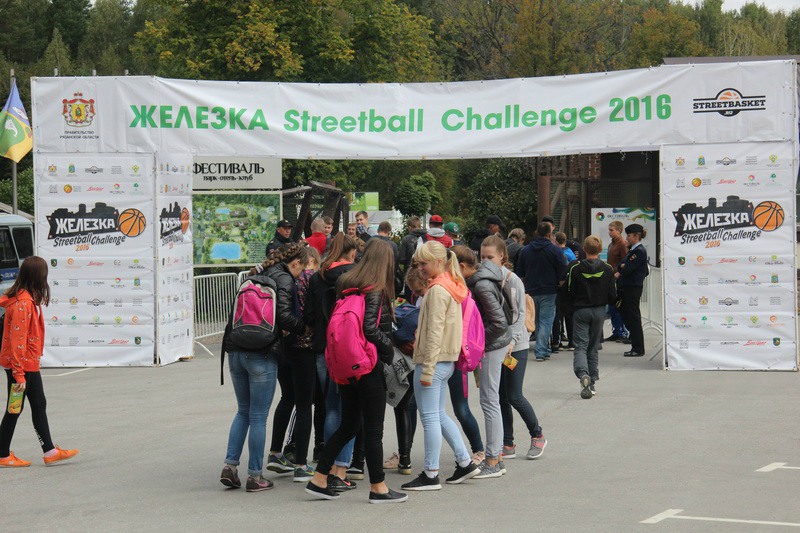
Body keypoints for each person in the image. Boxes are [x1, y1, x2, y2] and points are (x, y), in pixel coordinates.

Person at [305, 239, 407, 504]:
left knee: (349, 424)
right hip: (368, 365)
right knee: (373, 430)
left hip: (346, 364)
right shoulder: (376, 289)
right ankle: (378, 488)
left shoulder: (348, 285)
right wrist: (388, 350)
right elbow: (371, 329)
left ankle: (319, 478)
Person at [220, 243, 309, 492]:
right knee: (258, 416)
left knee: (243, 411)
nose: (301, 275)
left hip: (236, 350)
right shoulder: (285, 279)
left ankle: (230, 467)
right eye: (302, 269)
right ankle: (255, 475)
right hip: (262, 352)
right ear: (295, 263)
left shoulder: (255, 276)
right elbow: (285, 317)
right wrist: (305, 328)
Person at [401, 241, 479, 491]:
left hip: (433, 361)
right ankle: (464, 462)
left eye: (423, 263)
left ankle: (431, 473)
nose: (420, 268)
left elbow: (434, 332)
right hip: (446, 360)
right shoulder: (452, 284)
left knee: (430, 418)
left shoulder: (436, 290)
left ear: (438, 262)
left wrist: (427, 368)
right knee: (438, 415)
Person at [0, 256, 78, 468]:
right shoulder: (23, 304)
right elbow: (17, 342)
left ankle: (50, 451)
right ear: (37, 276)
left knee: (38, 404)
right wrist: (18, 375)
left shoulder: (27, 299)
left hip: (27, 364)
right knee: (15, 407)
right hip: (21, 366)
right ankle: (2, 454)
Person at [481, 236, 547, 460]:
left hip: (515, 347)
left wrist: (510, 343)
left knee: (514, 395)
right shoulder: (485, 280)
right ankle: (507, 443)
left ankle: (537, 435)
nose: (485, 261)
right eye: (482, 257)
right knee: (500, 397)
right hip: (495, 346)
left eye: (490, 257)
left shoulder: (512, 280)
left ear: (502, 256)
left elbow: (519, 316)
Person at [303, 233, 359, 491]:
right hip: (347, 347)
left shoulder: (318, 277)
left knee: (331, 408)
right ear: (351, 253)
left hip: (322, 347)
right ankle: (340, 468)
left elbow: (308, 315)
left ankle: (327, 466)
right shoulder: (355, 275)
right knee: (350, 410)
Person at [453, 244, 512, 479]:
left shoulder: (481, 285)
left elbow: (499, 322)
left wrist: (476, 341)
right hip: (493, 345)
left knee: (489, 401)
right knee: (490, 400)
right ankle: (496, 457)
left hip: (492, 346)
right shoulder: (481, 280)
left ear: (462, 266)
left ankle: (493, 460)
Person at [384, 267, 427, 475]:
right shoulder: (420, 299)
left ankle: (359, 460)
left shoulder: (434, 297)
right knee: (407, 409)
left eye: (417, 290)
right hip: (415, 361)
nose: (415, 294)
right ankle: (405, 459)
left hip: (412, 359)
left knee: (427, 414)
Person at [447, 246, 487, 465]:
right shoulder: (463, 289)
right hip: (454, 355)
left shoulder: (464, 291)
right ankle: (404, 455)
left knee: (461, 408)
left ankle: (478, 449)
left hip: (457, 356)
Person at [565, 236, 616, 399]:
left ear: (584, 249)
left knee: (580, 346)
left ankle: (583, 374)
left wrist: (571, 307)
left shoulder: (575, 268)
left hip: (581, 310)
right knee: (593, 347)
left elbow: (569, 290)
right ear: (600, 250)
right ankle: (592, 382)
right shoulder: (607, 268)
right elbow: (612, 292)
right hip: (599, 310)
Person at [515, 222, 566, 362]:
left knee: (537, 321)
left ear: (536, 232)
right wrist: (560, 283)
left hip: (531, 290)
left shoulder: (525, 250)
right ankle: (541, 350)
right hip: (549, 289)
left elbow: (520, 272)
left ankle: (544, 347)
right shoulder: (555, 250)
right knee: (546, 321)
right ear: (549, 234)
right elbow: (563, 269)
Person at [615, 224, 649, 357]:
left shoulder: (639, 251)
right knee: (627, 315)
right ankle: (635, 343)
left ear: (637, 236)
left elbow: (627, 269)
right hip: (627, 287)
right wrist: (622, 267)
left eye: (629, 235)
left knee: (633, 317)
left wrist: (623, 267)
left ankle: (638, 347)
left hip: (632, 287)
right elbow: (620, 265)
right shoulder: (632, 250)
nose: (627, 238)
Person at [605, 221, 629, 342]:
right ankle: (616, 331)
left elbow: (625, 262)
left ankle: (623, 332)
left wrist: (618, 273)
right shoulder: (612, 244)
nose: (609, 232)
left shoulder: (622, 244)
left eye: (611, 230)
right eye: (609, 229)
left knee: (619, 306)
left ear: (618, 231)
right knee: (613, 306)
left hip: (619, 279)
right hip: (611, 278)